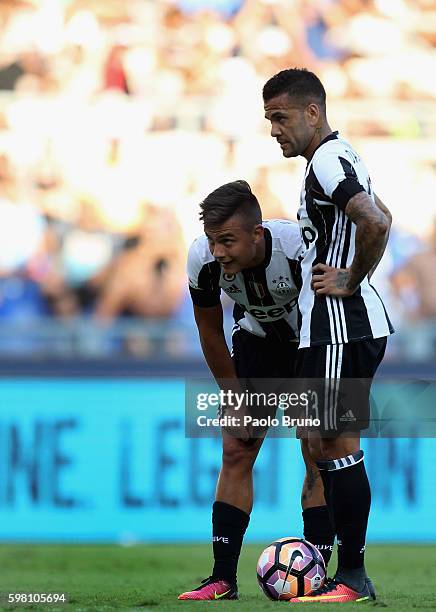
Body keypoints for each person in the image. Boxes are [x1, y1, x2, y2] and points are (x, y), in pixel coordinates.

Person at [263, 68, 393, 603]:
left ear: (312, 112)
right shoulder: (339, 158)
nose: (273, 129)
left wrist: (351, 276)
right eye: (268, 119)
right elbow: (384, 214)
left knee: (336, 443)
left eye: (280, 117)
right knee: (320, 443)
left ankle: (353, 576)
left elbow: (376, 224)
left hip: (342, 323)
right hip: (338, 324)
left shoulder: (326, 159)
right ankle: (333, 571)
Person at [178, 180, 335, 601]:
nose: (219, 252)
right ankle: (222, 578)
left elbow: (327, 315)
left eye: (228, 240)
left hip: (314, 344)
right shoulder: (201, 259)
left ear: (257, 234)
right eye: (213, 241)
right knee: (236, 447)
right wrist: (234, 397)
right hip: (256, 346)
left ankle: (318, 576)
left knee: (319, 449)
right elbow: (210, 332)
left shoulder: (299, 248)